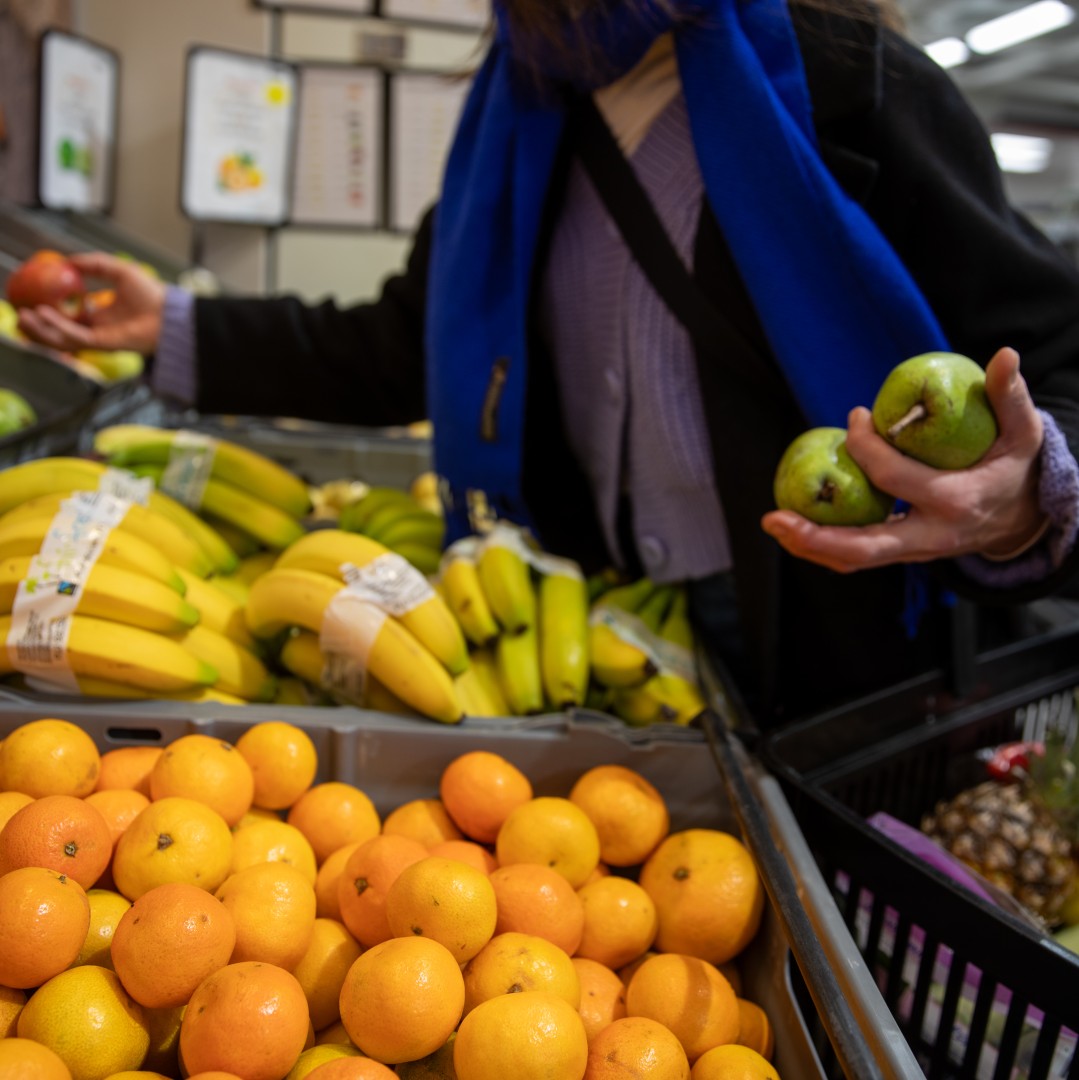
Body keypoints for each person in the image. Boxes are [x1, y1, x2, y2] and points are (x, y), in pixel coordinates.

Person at [18, 0, 1079, 728]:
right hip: (595, 629)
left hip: (846, 658)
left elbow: (1052, 358)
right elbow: (403, 347)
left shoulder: (849, 83)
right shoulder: (520, 122)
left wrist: (1021, 498)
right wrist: (173, 324)